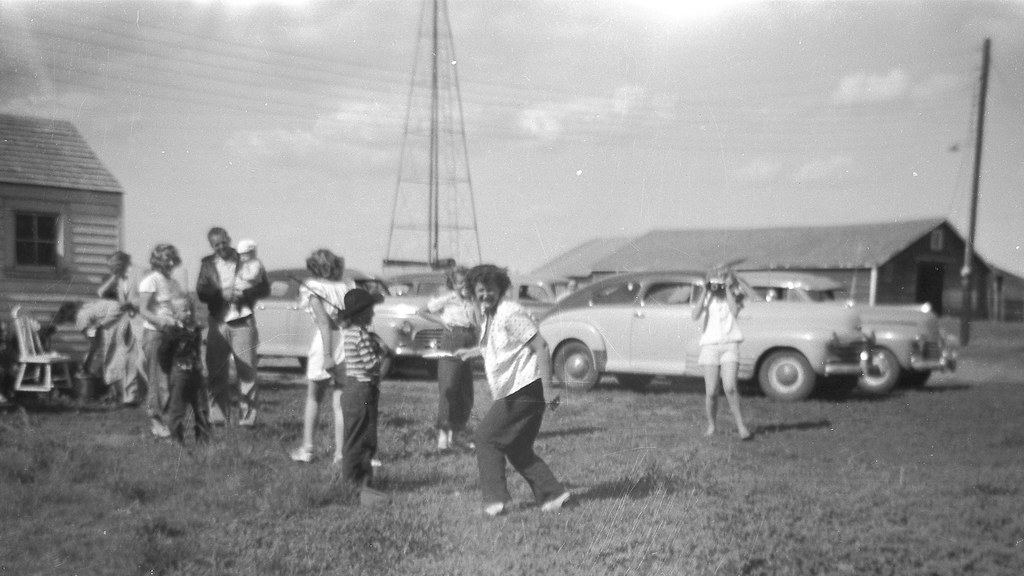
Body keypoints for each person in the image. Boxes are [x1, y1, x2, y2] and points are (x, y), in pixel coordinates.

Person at [454, 264, 570, 517]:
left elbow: (541, 347)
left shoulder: (509, 313)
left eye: (491, 289)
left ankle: (495, 501)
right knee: (517, 447)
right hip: (518, 389)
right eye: (480, 291)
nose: (486, 295)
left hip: (526, 388)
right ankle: (553, 495)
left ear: (502, 289)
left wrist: (549, 390)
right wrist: (471, 352)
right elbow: (502, 348)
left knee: (485, 437)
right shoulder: (491, 314)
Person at [196, 227, 269, 427]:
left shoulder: (245, 259)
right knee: (216, 371)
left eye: (223, 242)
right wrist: (221, 294)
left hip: (243, 321)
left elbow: (264, 287)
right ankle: (218, 418)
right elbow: (201, 291)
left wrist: (244, 295)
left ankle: (248, 420)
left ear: (229, 239)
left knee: (247, 372)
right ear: (212, 246)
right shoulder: (207, 264)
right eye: (216, 244)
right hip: (217, 322)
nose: (221, 247)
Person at [290, 249, 349, 464]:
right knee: (340, 401)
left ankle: (308, 449)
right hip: (346, 342)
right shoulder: (346, 286)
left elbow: (324, 323)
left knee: (314, 397)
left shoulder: (312, 287)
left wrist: (326, 354)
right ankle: (340, 454)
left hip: (326, 343)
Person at [339, 288, 389, 505]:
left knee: (356, 436)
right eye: (370, 311)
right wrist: (384, 353)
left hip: (352, 388)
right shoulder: (360, 336)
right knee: (362, 437)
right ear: (361, 315)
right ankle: (356, 485)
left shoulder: (352, 333)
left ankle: (359, 482)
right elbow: (372, 366)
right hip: (362, 389)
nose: (373, 314)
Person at [692, 269, 752, 441]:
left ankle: (741, 427)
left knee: (730, 387)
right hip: (710, 346)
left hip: (730, 344)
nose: (717, 285)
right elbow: (694, 315)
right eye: (715, 282)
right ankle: (712, 425)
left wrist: (727, 289)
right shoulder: (707, 297)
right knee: (711, 391)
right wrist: (705, 290)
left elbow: (734, 311)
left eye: (721, 282)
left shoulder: (735, 296)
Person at [421, 266, 477, 451]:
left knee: (465, 390)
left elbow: (478, 320)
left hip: (469, 340)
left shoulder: (473, 299)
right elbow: (422, 311)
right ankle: (443, 436)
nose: (464, 285)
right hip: (452, 339)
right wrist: (442, 322)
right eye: (460, 282)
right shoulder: (448, 298)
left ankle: (457, 433)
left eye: (466, 282)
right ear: (452, 283)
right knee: (449, 387)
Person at [138, 244, 191, 438]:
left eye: (172, 258)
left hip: (173, 334)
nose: (170, 262)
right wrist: (161, 322)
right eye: (165, 258)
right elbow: (143, 310)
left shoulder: (174, 283)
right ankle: (156, 421)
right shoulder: (151, 281)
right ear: (157, 260)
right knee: (157, 378)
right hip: (156, 334)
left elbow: (178, 307)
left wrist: (182, 318)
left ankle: (170, 418)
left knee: (172, 378)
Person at [87, 251, 145, 404]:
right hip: (128, 323)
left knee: (143, 360)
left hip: (142, 321)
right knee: (130, 359)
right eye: (110, 268)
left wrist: (132, 304)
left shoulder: (139, 273)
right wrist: (114, 277)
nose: (111, 270)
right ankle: (130, 397)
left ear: (121, 263)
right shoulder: (119, 278)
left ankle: (151, 396)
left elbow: (147, 298)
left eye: (113, 267)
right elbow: (101, 292)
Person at [159, 307, 211, 444]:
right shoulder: (172, 332)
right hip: (179, 371)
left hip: (195, 372)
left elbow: (199, 350)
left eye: (190, 310)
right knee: (177, 408)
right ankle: (176, 439)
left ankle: (203, 439)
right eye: (184, 310)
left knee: (201, 407)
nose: (189, 313)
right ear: (175, 313)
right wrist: (169, 371)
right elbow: (163, 354)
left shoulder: (196, 330)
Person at [232, 239, 266, 320]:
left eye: (245, 255)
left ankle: (240, 311)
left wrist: (242, 276)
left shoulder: (255, 263)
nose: (242, 258)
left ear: (252, 253)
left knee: (239, 297)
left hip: (250, 287)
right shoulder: (244, 264)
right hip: (241, 287)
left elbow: (253, 276)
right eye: (241, 255)